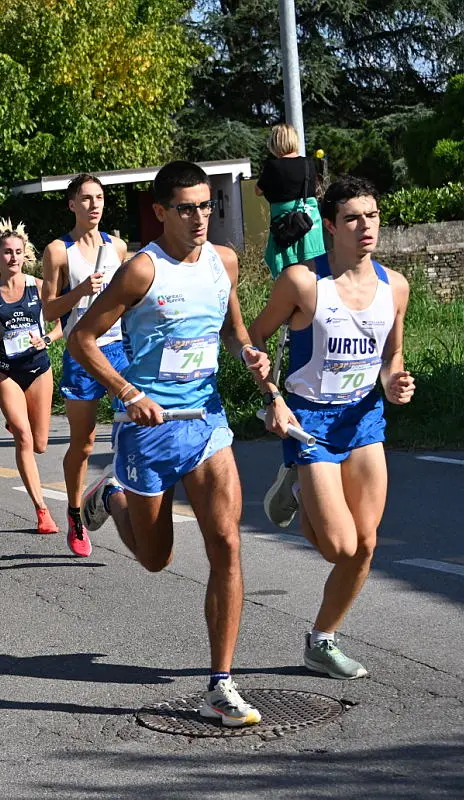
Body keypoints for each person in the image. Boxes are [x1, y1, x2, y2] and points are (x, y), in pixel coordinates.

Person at [68, 161, 272, 727]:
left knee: (227, 543)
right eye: (186, 208)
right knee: (157, 560)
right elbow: (83, 339)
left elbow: (232, 332)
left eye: (207, 206)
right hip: (148, 427)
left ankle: (221, 682)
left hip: (206, 420)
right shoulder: (141, 271)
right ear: (160, 212)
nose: (200, 218)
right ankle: (110, 497)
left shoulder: (223, 261)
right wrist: (128, 391)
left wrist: (249, 354)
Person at [248, 175, 414, 680]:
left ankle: (322, 640)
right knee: (339, 546)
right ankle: (298, 482)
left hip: (364, 418)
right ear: (329, 225)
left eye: (373, 215)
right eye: (353, 218)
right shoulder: (303, 282)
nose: (366, 226)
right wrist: (274, 399)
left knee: (365, 545)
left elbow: (392, 356)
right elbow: (254, 341)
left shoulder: (396, 286)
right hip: (310, 423)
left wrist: (394, 383)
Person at [40, 174, 130, 555]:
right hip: (80, 350)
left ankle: (116, 485)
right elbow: (48, 310)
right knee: (85, 440)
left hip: (117, 349)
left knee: (136, 424)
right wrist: (80, 291)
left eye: (100, 198)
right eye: (86, 199)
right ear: (72, 204)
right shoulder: (58, 251)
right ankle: (76, 512)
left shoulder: (119, 247)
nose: (95, 205)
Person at [0, 220, 59, 534]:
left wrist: (46, 340)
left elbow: (60, 323)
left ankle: (16, 418)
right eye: (7, 252)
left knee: (40, 444)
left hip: (39, 368)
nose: (13, 258)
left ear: (26, 255)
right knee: (23, 437)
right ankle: (42, 511)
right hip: (6, 371)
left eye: (18, 252)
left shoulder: (38, 286)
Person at [256, 123, 326, 279]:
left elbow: (258, 190)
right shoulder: (309, 163)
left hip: (287, 227)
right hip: (310, 225)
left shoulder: (273, 166)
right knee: (314, 273)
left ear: (275, 143)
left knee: (290, 274)